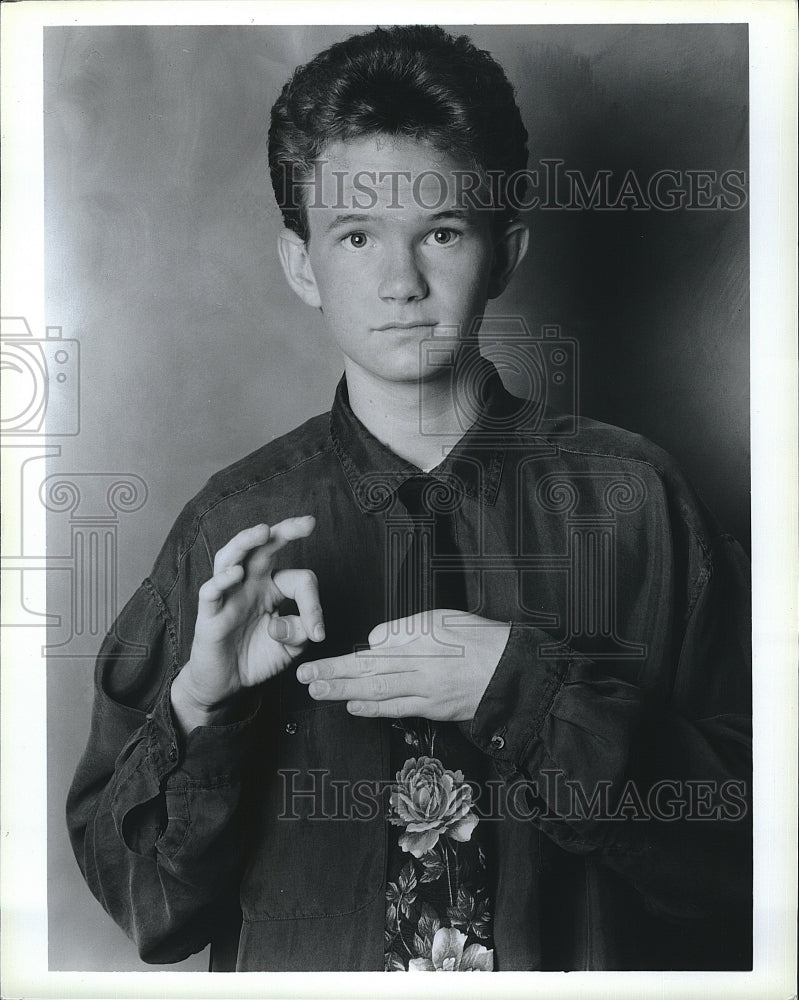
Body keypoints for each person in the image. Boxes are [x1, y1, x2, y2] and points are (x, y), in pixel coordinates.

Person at [67, 25, 752, 972]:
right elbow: (152, 912)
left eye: (441, 232)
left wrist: (529, 696)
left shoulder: (636, 503)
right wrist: (202, 705)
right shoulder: (229, 528)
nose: (401, 283)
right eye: (356, 236)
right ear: (302, 263)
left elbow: (751, 864)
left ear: (504, 252)